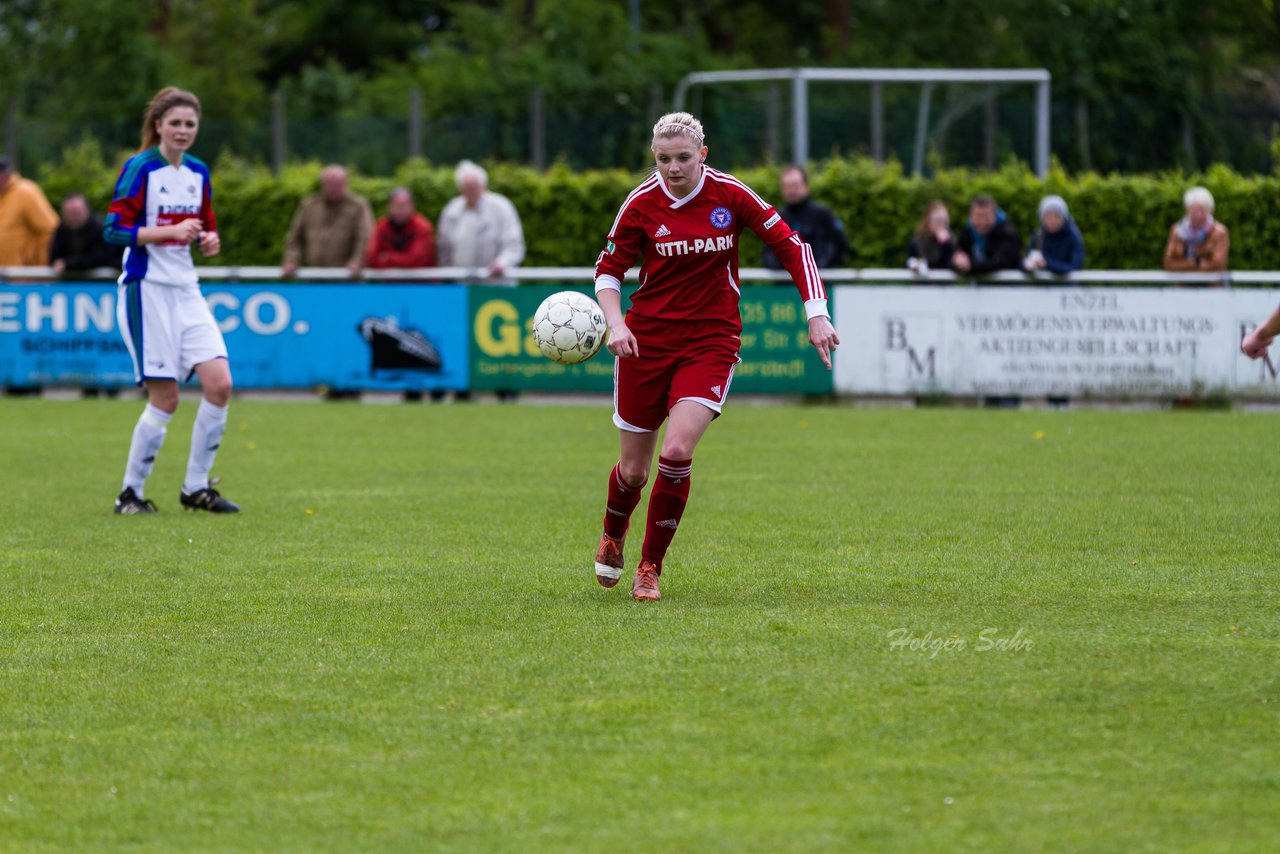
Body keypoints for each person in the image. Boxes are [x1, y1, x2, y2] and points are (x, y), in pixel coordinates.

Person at [591, 112, 839, 601]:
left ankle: (649, 566)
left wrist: (817, 313)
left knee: (678, 450)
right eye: (663, 159)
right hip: (645, 343)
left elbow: (792, 245)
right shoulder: (640, 203)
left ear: (703, 155)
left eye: (683, 158)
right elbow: (608, 270)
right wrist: (615, 323)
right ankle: (613, 534)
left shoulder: (730, 195)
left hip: (711, 341)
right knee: (634, 471)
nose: (673, 168)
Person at [103, 86, 238, 515]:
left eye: (190, 124)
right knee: (166, 400)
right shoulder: (141, 168)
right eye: (175, 123)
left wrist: (209, 240)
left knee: (220, 385)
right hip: (147, 290)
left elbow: (204, 228)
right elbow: (112, 230)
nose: (183, 130)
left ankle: (196, 487)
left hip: (186, 290)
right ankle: (130, 495)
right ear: (158, 125)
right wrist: (167, 232)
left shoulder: (198, 171)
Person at [281, 164, 373, 278]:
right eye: (331, 185)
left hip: (346, 278)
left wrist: (358, 261)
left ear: (346, 184)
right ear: (323, 184)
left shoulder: (358, 206)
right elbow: (295, 237)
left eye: (338, 185)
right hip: (313, 277)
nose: (334, 189)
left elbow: (365, 238)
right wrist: (291, 260)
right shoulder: (309, 205)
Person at [436, 160, 525, 277]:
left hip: (495, 281)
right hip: (460, 285)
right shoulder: (451, 210)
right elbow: (443, 246)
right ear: (460, 189)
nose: (471, 191)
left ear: (484, 186)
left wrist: (502, 263)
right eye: (467, 187)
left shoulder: (501, 206)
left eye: (474, 187)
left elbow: (514, 243)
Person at [761, 165, 848, 270]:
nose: (791, 191)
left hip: (819, 280)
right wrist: (779, 268)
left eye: (795, 186)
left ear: (806, 186)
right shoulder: (777, 217)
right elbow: (768, 251)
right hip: (784, 283)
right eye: (787, 186)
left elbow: (840, 244)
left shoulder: (822, 214)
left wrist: (821, 266)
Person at [0, 155, 59, 267]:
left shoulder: (26, 191)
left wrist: (42, 266)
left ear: (4, 175)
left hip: (23, 274)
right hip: (3, 274)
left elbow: (50, 229)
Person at [49, 193, 123, 274]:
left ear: (87, 210)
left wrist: (67, 264)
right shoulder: (61, 228)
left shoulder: (100, 228)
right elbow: (54, 256)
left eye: (76, 213)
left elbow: (97, 259)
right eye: (68, 214)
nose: (72, 218)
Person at [365, 186, 436, 269]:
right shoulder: (381, 226)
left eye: (404, 205)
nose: (400, 209)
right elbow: (371, 258)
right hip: (390, 281)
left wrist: (388, 257)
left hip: (420, 281)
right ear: (389, 206)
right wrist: (403, 259)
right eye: (396, 205)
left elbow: (417, 260)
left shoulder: (422, 226)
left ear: (412, 206)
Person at [951, 194, 1022, 275]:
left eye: (986, 216)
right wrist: (958, 260)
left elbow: (1002, 263)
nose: (982, 222)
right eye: (978, 216)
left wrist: (970, 265)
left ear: (995, 215)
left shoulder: (1008, 233)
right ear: (971, 216)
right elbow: (956, 254)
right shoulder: (967, 231)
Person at [1163, 186, 1228, 273]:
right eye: (1193, 211)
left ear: (1210, 211)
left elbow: (1217, 264)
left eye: (1202, 210)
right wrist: (1195, 263)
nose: (1198, 215)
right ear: (1186, 210)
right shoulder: (1177, 231)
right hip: (1183, 284)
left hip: (1211, 284)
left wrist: (1183, 266)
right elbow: (1168, 263)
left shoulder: (1219, 232)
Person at [1024, 194, 1085, 274]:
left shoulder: (1073, 236)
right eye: (1048, 216)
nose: (1052, 221)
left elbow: (1075, 266)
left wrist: (1047, 264)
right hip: (1040, 285)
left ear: (1063, 218)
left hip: (1066, 286)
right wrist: (1028, 265)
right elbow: (1027, 259)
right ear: (1042, 218)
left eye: (1056, 216)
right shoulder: (1039, 235)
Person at [905, 200, 955, 275]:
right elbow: (912, 263)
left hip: (945, 285)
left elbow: (950, 266)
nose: (941, 224)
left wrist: (945, 245)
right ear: (928, 221)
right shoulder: (918, 241)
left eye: (944, 221)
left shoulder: (951, 240)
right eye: (937, 221)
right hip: (923, 285)